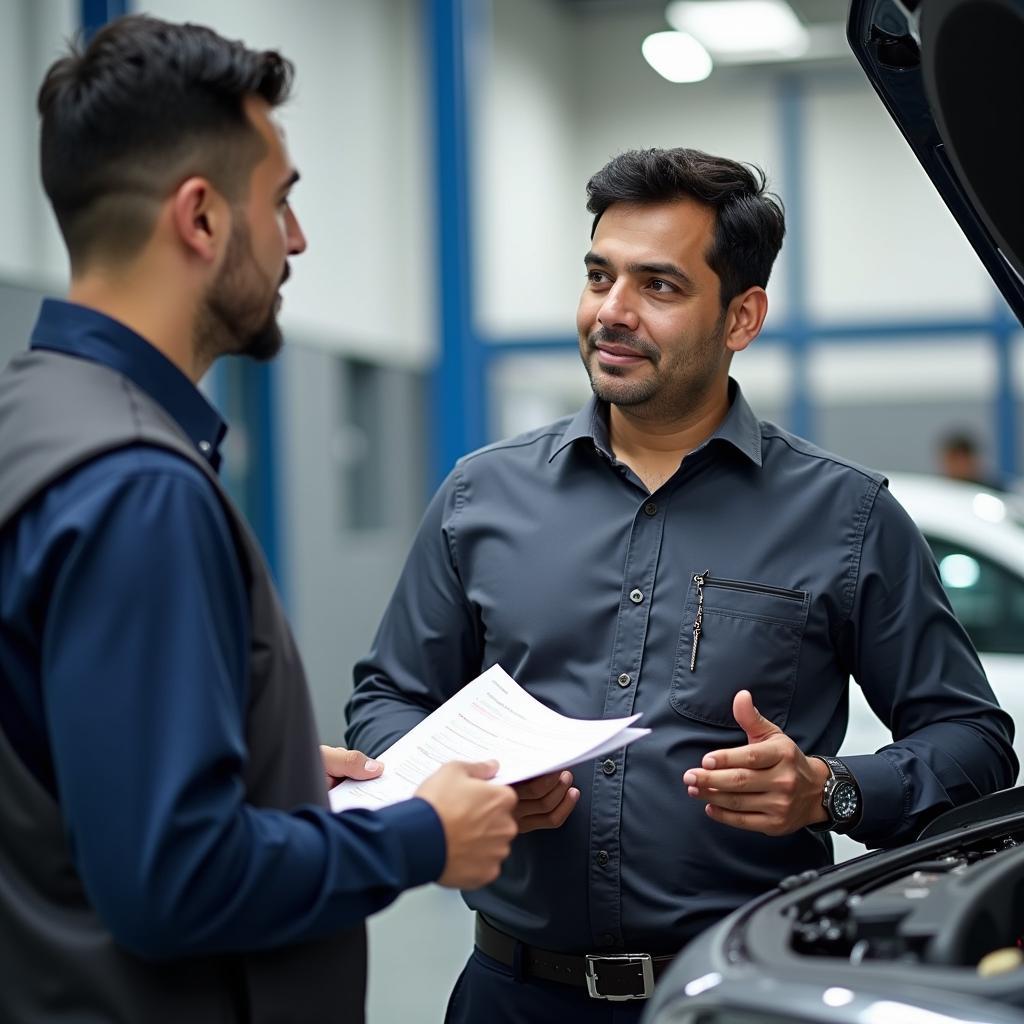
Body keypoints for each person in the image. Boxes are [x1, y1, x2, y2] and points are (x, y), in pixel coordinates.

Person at [345, 147, 1017, 1023]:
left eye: (658, 287)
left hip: (741, 996)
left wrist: (831, 790)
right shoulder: (481, 495)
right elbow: (389, 696)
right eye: (598, 276)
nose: (611, 313)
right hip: (511, 995)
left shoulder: (847, 518)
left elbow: (973, 738)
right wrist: (470, 775)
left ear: (741, 317)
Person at [0, 15, 518, 1024]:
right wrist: (420, 833)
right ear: (199, 218)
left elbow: (67, 777)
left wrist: (260, 767)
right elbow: (173, 879)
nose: (296, 238)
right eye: (279, 202)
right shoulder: (136, 484)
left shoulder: (31, 417)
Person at [937, 429, 1007, 491]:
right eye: (954, 459)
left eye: (963, 459)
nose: (959, 465)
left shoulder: (992, 491)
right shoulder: (938, 492)